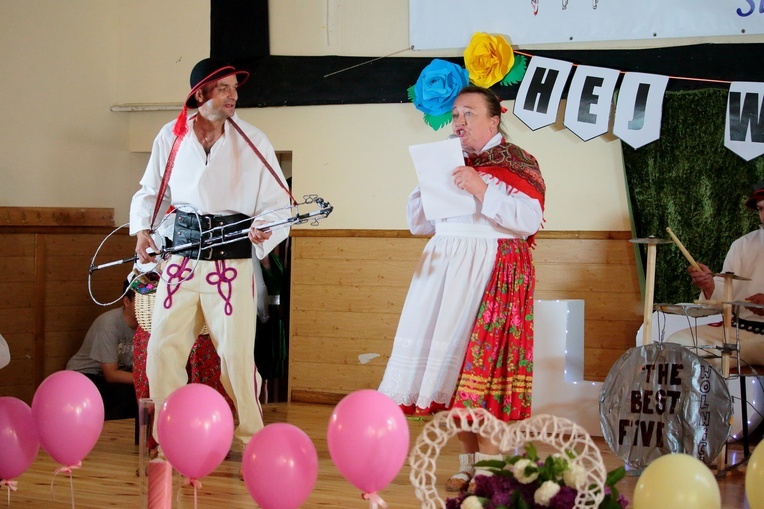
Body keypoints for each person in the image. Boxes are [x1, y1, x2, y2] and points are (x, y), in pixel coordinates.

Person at [378, 85, 545, 492]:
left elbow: (528, 220)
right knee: (455, 373)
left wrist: (480, 187)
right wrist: (427, 182)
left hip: (495, 270)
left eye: (469, 113)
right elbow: (419, 225)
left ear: (494, 119)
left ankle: (491, 468)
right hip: (446, 272)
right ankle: (468, 463)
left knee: (483, 372)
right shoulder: (447, 160)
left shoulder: (517, 162)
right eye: (455, 115)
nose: (459, 121)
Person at [129, 57, 291, 453]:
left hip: (231, 262)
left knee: (236, 358)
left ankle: (252, 439)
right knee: (162, 350)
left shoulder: (253, 140)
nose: (233, 95)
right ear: (200, 94)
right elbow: (151, 191)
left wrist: (263, 228)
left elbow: (279, 203)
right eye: (224, 88)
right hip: (181, 259)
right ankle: (169, 439)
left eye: (235, 88)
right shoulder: (171, 136)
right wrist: (143, 231)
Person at [668, 180, 764, 367]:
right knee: (677, 344)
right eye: (761, 209)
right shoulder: (742, 245)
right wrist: (709, 285)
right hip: (742, 331)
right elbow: (725, 299)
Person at [66, 282, 138, 420]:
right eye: (141, 302)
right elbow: (111, 374)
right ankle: (108, 430)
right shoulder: (109, 323)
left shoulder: (148, 324)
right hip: (86, 375)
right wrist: (145, 380)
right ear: (127, 302)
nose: (149, 307)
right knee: (123, 393)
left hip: (119, 373)